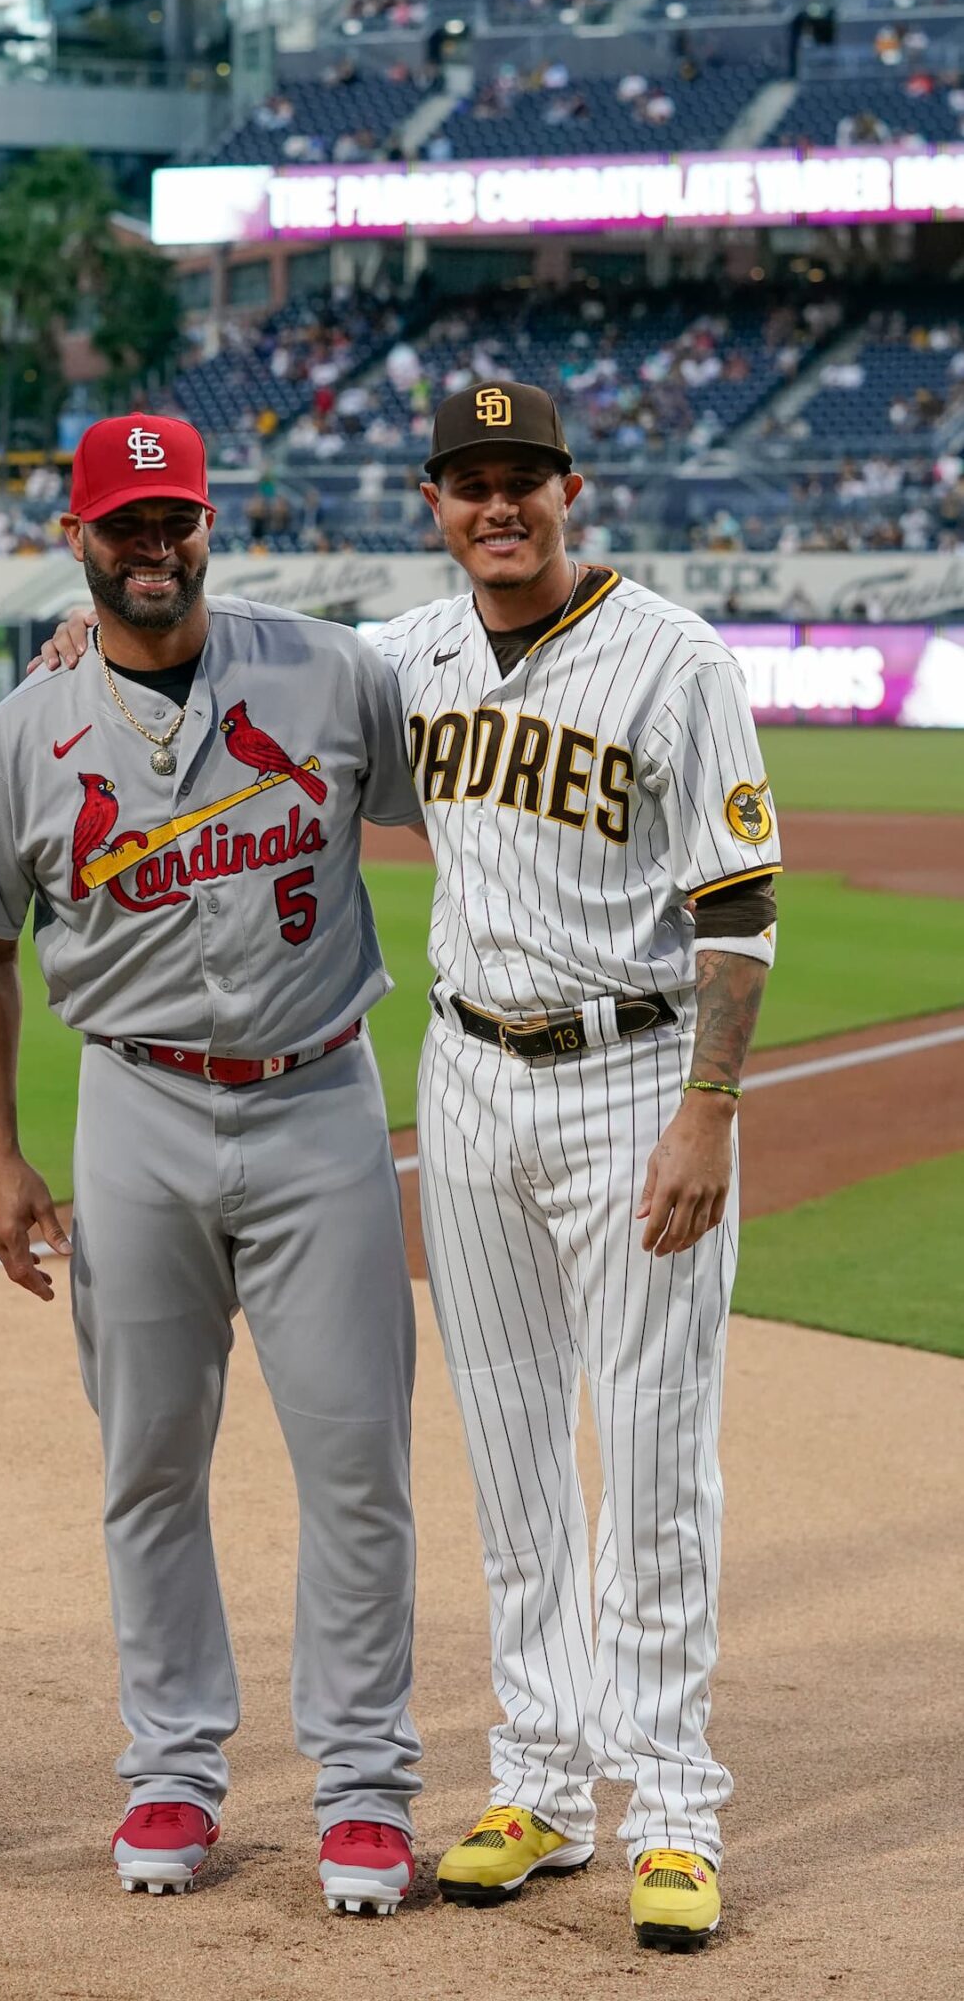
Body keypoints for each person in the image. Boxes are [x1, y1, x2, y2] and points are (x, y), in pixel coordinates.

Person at [0, 413, 425, 1919]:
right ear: (76, 540)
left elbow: (468, 806)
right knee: (147, 1460)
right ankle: (172, 1767)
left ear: (209, 525)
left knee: (358, 1461)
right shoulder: (20, 733)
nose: (153, 546)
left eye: (175, 520)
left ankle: (363, 1783)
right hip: (134, 1108)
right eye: (124, 524)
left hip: (318, 1096)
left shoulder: (330, 673)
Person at [377, 381, 778, 1954]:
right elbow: (247, 668)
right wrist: (85, 635)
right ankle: (539, 1785)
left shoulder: (674, 659)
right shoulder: (408, 658)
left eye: (521, 479)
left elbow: (735, 908)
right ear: (431, 503)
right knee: (510, 1455)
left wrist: (708, 1106)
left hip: (631, 1075)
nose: (498, 506)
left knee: (653, 1454)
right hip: (463, 1078)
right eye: (469, 482)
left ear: (570, 490)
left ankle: (671, 1807)